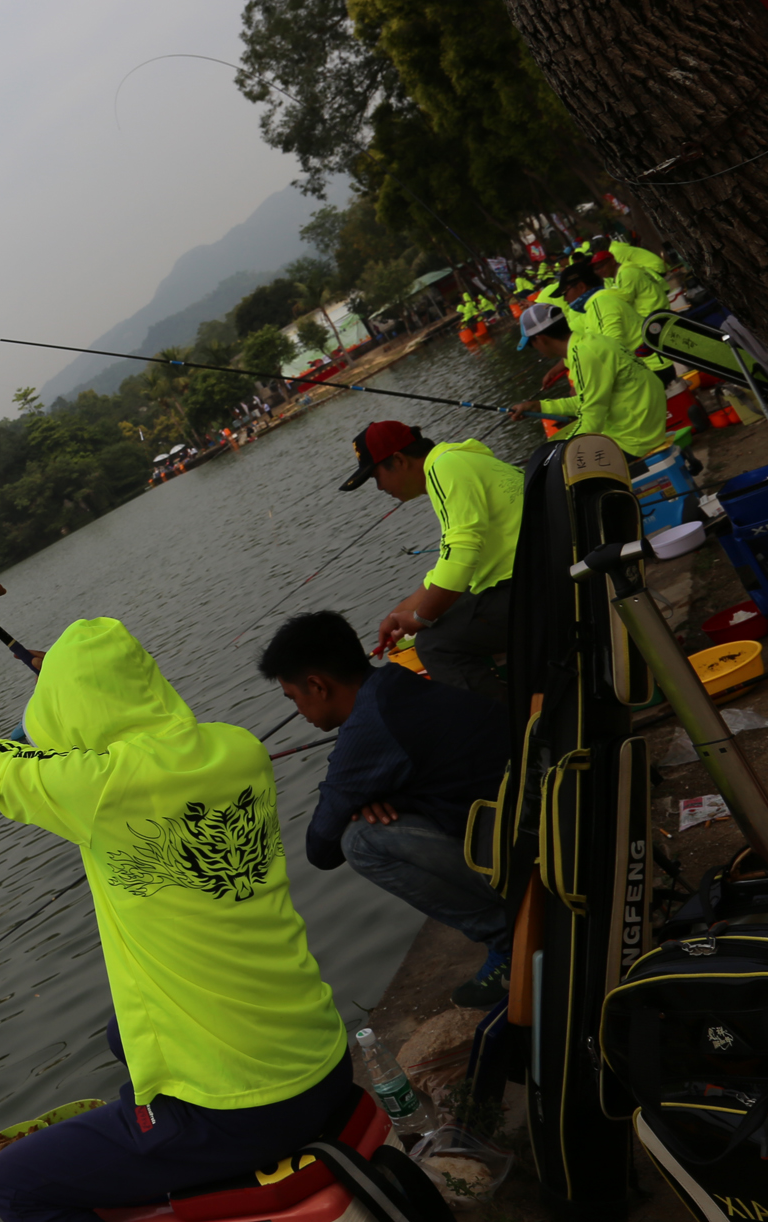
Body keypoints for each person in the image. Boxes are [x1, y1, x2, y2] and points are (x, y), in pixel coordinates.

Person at [0, 586, 351, 1221]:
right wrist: (75, 683)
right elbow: (116, 731)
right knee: (119, 1033)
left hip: (247, 1111)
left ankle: (170, 1147)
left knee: (17, 1182)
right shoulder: (237, 749)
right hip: (324, 1058)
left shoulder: (92, 791)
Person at [259, 612, 515, 1007]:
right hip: (534, 814)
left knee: (361, 841)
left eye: (294, 699)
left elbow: (320, 848)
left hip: (523, 845)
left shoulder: (368, 727)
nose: (300, 712)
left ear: (317, 685)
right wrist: (388, 797)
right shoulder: (394, 682)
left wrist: (368, 801)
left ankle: (509, 943)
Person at [340, 420, 522, 703]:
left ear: (398, 460)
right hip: (532, 572)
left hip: (533, 583)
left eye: (376, 477)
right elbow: (451, 561)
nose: (378, 488)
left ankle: (500, 732)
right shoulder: (455, 461)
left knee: (435, 643)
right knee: (444, 616)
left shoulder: (443, 468)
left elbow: (461, 555)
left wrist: (420, 618)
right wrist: (400, 613)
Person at [510, 302, 668, 459]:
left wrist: (558, 453)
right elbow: (587, 402)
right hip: (646, 427)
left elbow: (592, 420)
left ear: (541, 339)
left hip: (635, 440)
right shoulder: (590, 342)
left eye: (532, 345)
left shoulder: (584, 355)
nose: (536, 350)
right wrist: (539, 406)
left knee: (561, 471)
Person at [556, 262, 675, 386]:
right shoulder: (598, 305)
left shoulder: (602, 304)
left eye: (565, 293)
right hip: (653, 366)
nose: (564, 299)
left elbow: (613, 351)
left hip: (653, 369)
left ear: (581, 287)